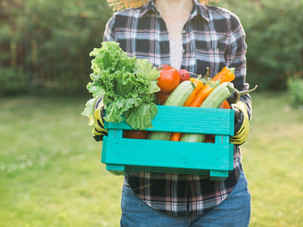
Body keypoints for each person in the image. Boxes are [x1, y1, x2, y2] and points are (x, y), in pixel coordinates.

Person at [93, 0, 252, 226]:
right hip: (147, 199)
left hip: (222, 198)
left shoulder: (227, 23)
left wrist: (241, 114)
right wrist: (102, 111)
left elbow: (240, 93)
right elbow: (105, 89)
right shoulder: (121, 24)